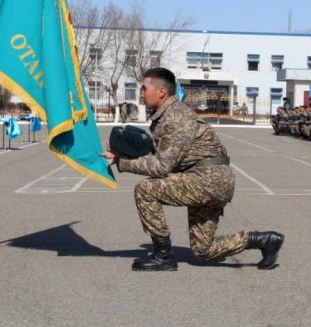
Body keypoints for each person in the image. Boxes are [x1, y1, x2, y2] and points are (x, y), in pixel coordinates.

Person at [101, 67, 284, 271]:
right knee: (203, 249)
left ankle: (163, 256)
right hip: (210, 179)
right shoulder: (167, 115)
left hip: (207, 180)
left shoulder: (175, 117)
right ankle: (265, 240)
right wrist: (122, 155)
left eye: (144, 88)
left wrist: (121, 163)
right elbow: (161, 155)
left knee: (145, 190)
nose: (141, 93)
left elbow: (162, 166)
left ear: (161, 91)